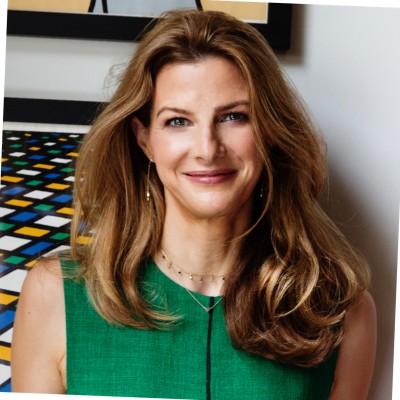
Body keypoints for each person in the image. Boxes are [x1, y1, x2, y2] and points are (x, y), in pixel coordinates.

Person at [11, 9, 376, 399]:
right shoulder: (55, 295)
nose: (207, 149)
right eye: (178, 121)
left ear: (269, 131)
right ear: (144, 140)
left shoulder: (339, 313)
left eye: (234, 116)